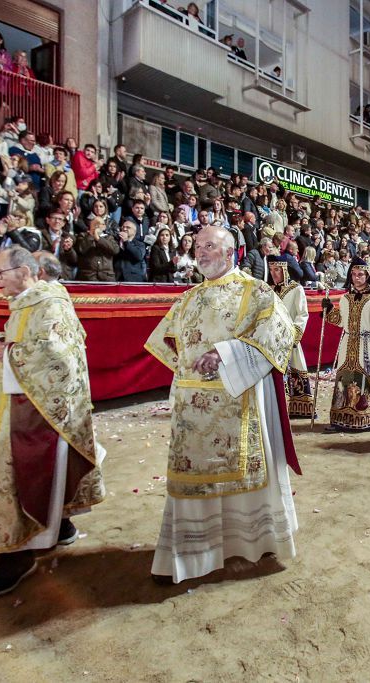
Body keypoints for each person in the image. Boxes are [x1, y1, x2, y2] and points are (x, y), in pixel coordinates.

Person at [143, 224, 300, 584]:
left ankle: (251, 542)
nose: (200, 252)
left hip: (239, 399)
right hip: (193, 409)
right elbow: (164, 340)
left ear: (230, 253)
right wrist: (191, 369)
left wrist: (226, 354)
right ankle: (190, 555)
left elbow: (280, 334)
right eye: (197, 246)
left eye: (209, 246)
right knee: (189, 478)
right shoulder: (189, 298)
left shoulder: (256, 291)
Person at [0, 246, 105, 596]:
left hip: (40, 410)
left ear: (24, 271)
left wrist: (11, 352)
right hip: (22, 401)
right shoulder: (24, 303)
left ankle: (19, 552)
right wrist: (2, 347)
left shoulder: (50, 304)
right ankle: (59, 523)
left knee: (24, 472)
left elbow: (59, 358)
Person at [321, 257, 370, 432]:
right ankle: (342, 419)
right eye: (354, 274)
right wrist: (329, 311)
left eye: (361, 274)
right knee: (345, 379)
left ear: (367, 276)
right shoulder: (345, 298)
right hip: (348, 344)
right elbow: (342, 321)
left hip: (369, 345)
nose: (357, 278)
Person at [267, 256, 314, 419]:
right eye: (271, 270)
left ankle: (299, 408)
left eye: (277, 269)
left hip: (290, 339)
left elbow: (302, 314)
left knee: (295, 369)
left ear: (285, 270)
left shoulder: (296, 289)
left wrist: (294, 336)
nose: (274, 273)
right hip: (272, 340)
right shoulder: (269, 290)